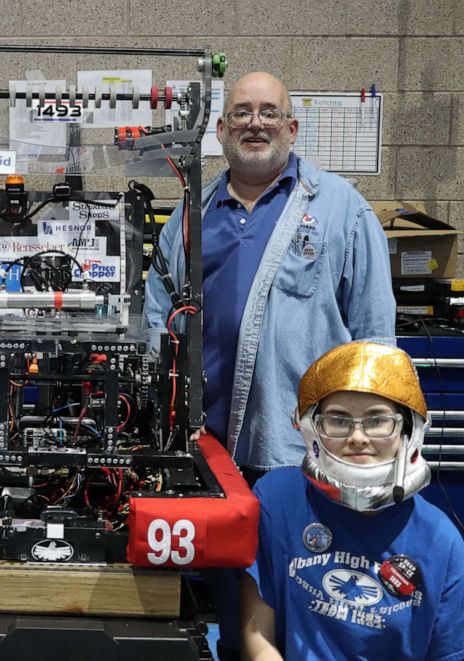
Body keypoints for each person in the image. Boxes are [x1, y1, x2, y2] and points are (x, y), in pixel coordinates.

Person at [143, 71, 396, 659]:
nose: (255, 123)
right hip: (210, 448)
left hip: (306, 452)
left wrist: (369, 443)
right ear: (221, 127)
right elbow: (158, 318)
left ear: (291, 126)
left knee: (313, 605)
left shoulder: (341, 210)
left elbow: (376, 344)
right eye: (242, 112)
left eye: (268, 112)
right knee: (233, 611)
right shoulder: (191, 214)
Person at [241, 341, 464, 660]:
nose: (357, 437)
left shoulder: (441, 542)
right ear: (311, 428)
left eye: (377, 420)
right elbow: (257, 634)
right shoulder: (279, 499)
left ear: (407, 430)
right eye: (338, 419)